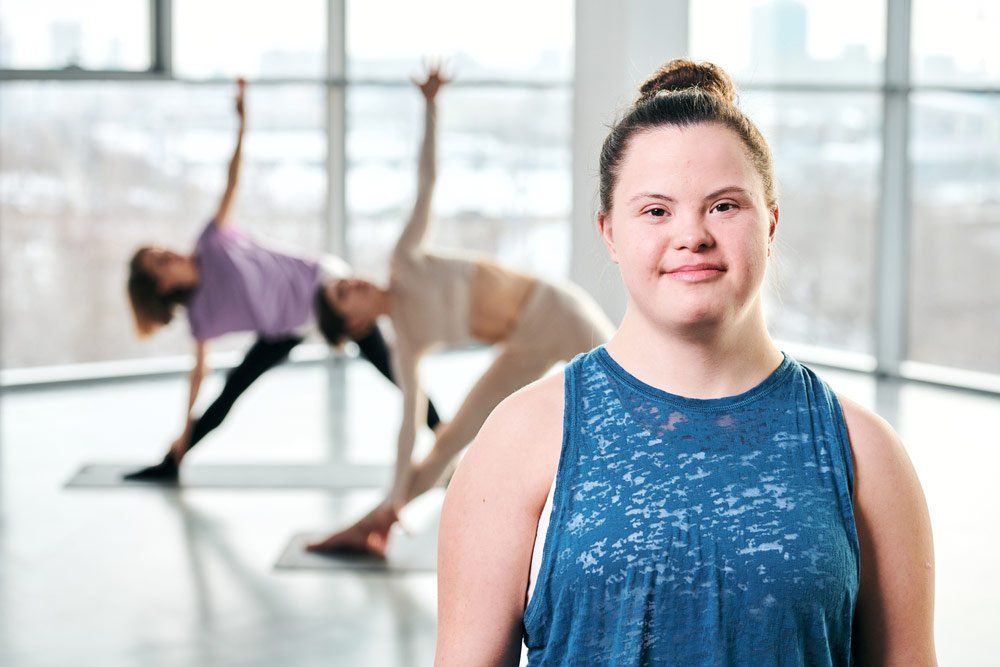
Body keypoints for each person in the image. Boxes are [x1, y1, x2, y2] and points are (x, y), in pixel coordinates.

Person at [436, 59, 936, 665]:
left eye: (724, 206)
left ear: (771, 223)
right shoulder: (522, 438)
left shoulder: (864, 452)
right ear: (610, 233)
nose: (692, 235)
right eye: (656, 210)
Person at [305, 64, 616, 555]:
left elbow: (426, 182)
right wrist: (396, 489)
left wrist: (430, 106)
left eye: (344, 281)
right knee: (449, 440)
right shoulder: (407, 344)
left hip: (555, 308)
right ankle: (380, 518)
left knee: (628, 389)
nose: (353, 282)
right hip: (521, 345)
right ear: (356, 322)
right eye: (345, 295)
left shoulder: (404, 261)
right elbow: (408, 425)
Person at [124, 78, 444, 483]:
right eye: (160, 262)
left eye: (161, 251)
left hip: (326, 291)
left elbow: (232, 182)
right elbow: (199, 374)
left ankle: (444, 434)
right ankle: (175, 459)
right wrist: (185, 426)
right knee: (233, 388)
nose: (169, 254)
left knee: (391, 367)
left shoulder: (210, 242)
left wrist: (242, 124)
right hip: (284, 328)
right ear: (162, 287)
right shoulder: (201, 317)